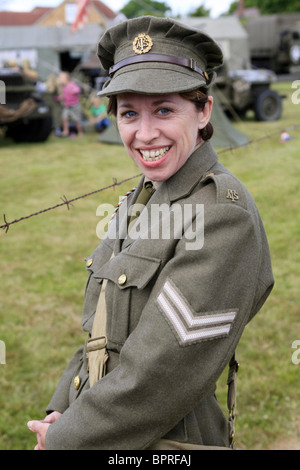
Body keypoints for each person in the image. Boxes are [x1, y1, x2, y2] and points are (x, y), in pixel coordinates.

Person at [27, 16, 274, 450]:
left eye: (164, 109)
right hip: (104, 430)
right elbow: (100, 333)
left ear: (203, 111)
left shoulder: (219, 213)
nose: (145, 134)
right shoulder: (142, 197)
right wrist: (62, 406)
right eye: (128, 113)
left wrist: (67, 437)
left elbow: (160, 373)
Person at [57, 71, 83, 137]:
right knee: (64, 117)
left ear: (67, 78)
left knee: (76, 119)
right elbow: (64, 96)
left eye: (61, 78)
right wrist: (59, 98)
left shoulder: (72, 84)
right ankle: (66, 131)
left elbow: (78, 89)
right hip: (67, 106)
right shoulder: (63, 87)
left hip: (74, 106)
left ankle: (80, 132)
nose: (60, 79)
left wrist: (74, 91)